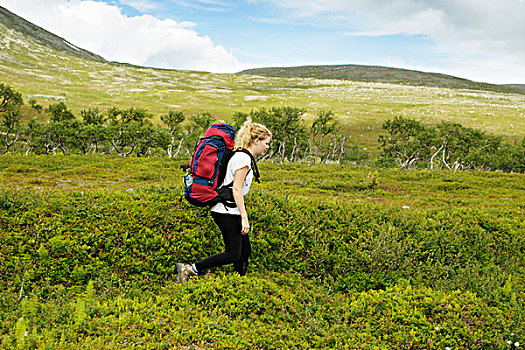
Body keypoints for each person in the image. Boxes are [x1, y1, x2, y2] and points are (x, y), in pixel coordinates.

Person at [176, 121, 272, 283]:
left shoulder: (239, 154)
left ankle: (238, 282)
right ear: (256, 141)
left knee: (244, 250)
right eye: (266, 143)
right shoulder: (244, 159)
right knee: (233, 253)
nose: (267, 147)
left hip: (227, 208)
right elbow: (236, 189)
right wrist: (244, 217)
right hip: (225, 210)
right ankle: (190, 269)